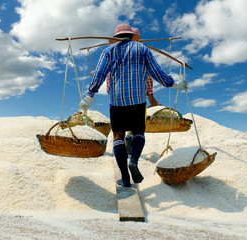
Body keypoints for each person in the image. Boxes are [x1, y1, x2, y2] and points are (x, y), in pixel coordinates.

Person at [79, 23, 187, 187]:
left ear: (117, 37)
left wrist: (89, 94)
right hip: (137, 100)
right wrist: (173, 84)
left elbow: (99, 74)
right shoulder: (142, 49)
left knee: (118, 136)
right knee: (138, 132)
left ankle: (125, 178)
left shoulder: (109, 51)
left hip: (117, 101)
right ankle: (134, 161)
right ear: (131, 35)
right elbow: (156, 73)